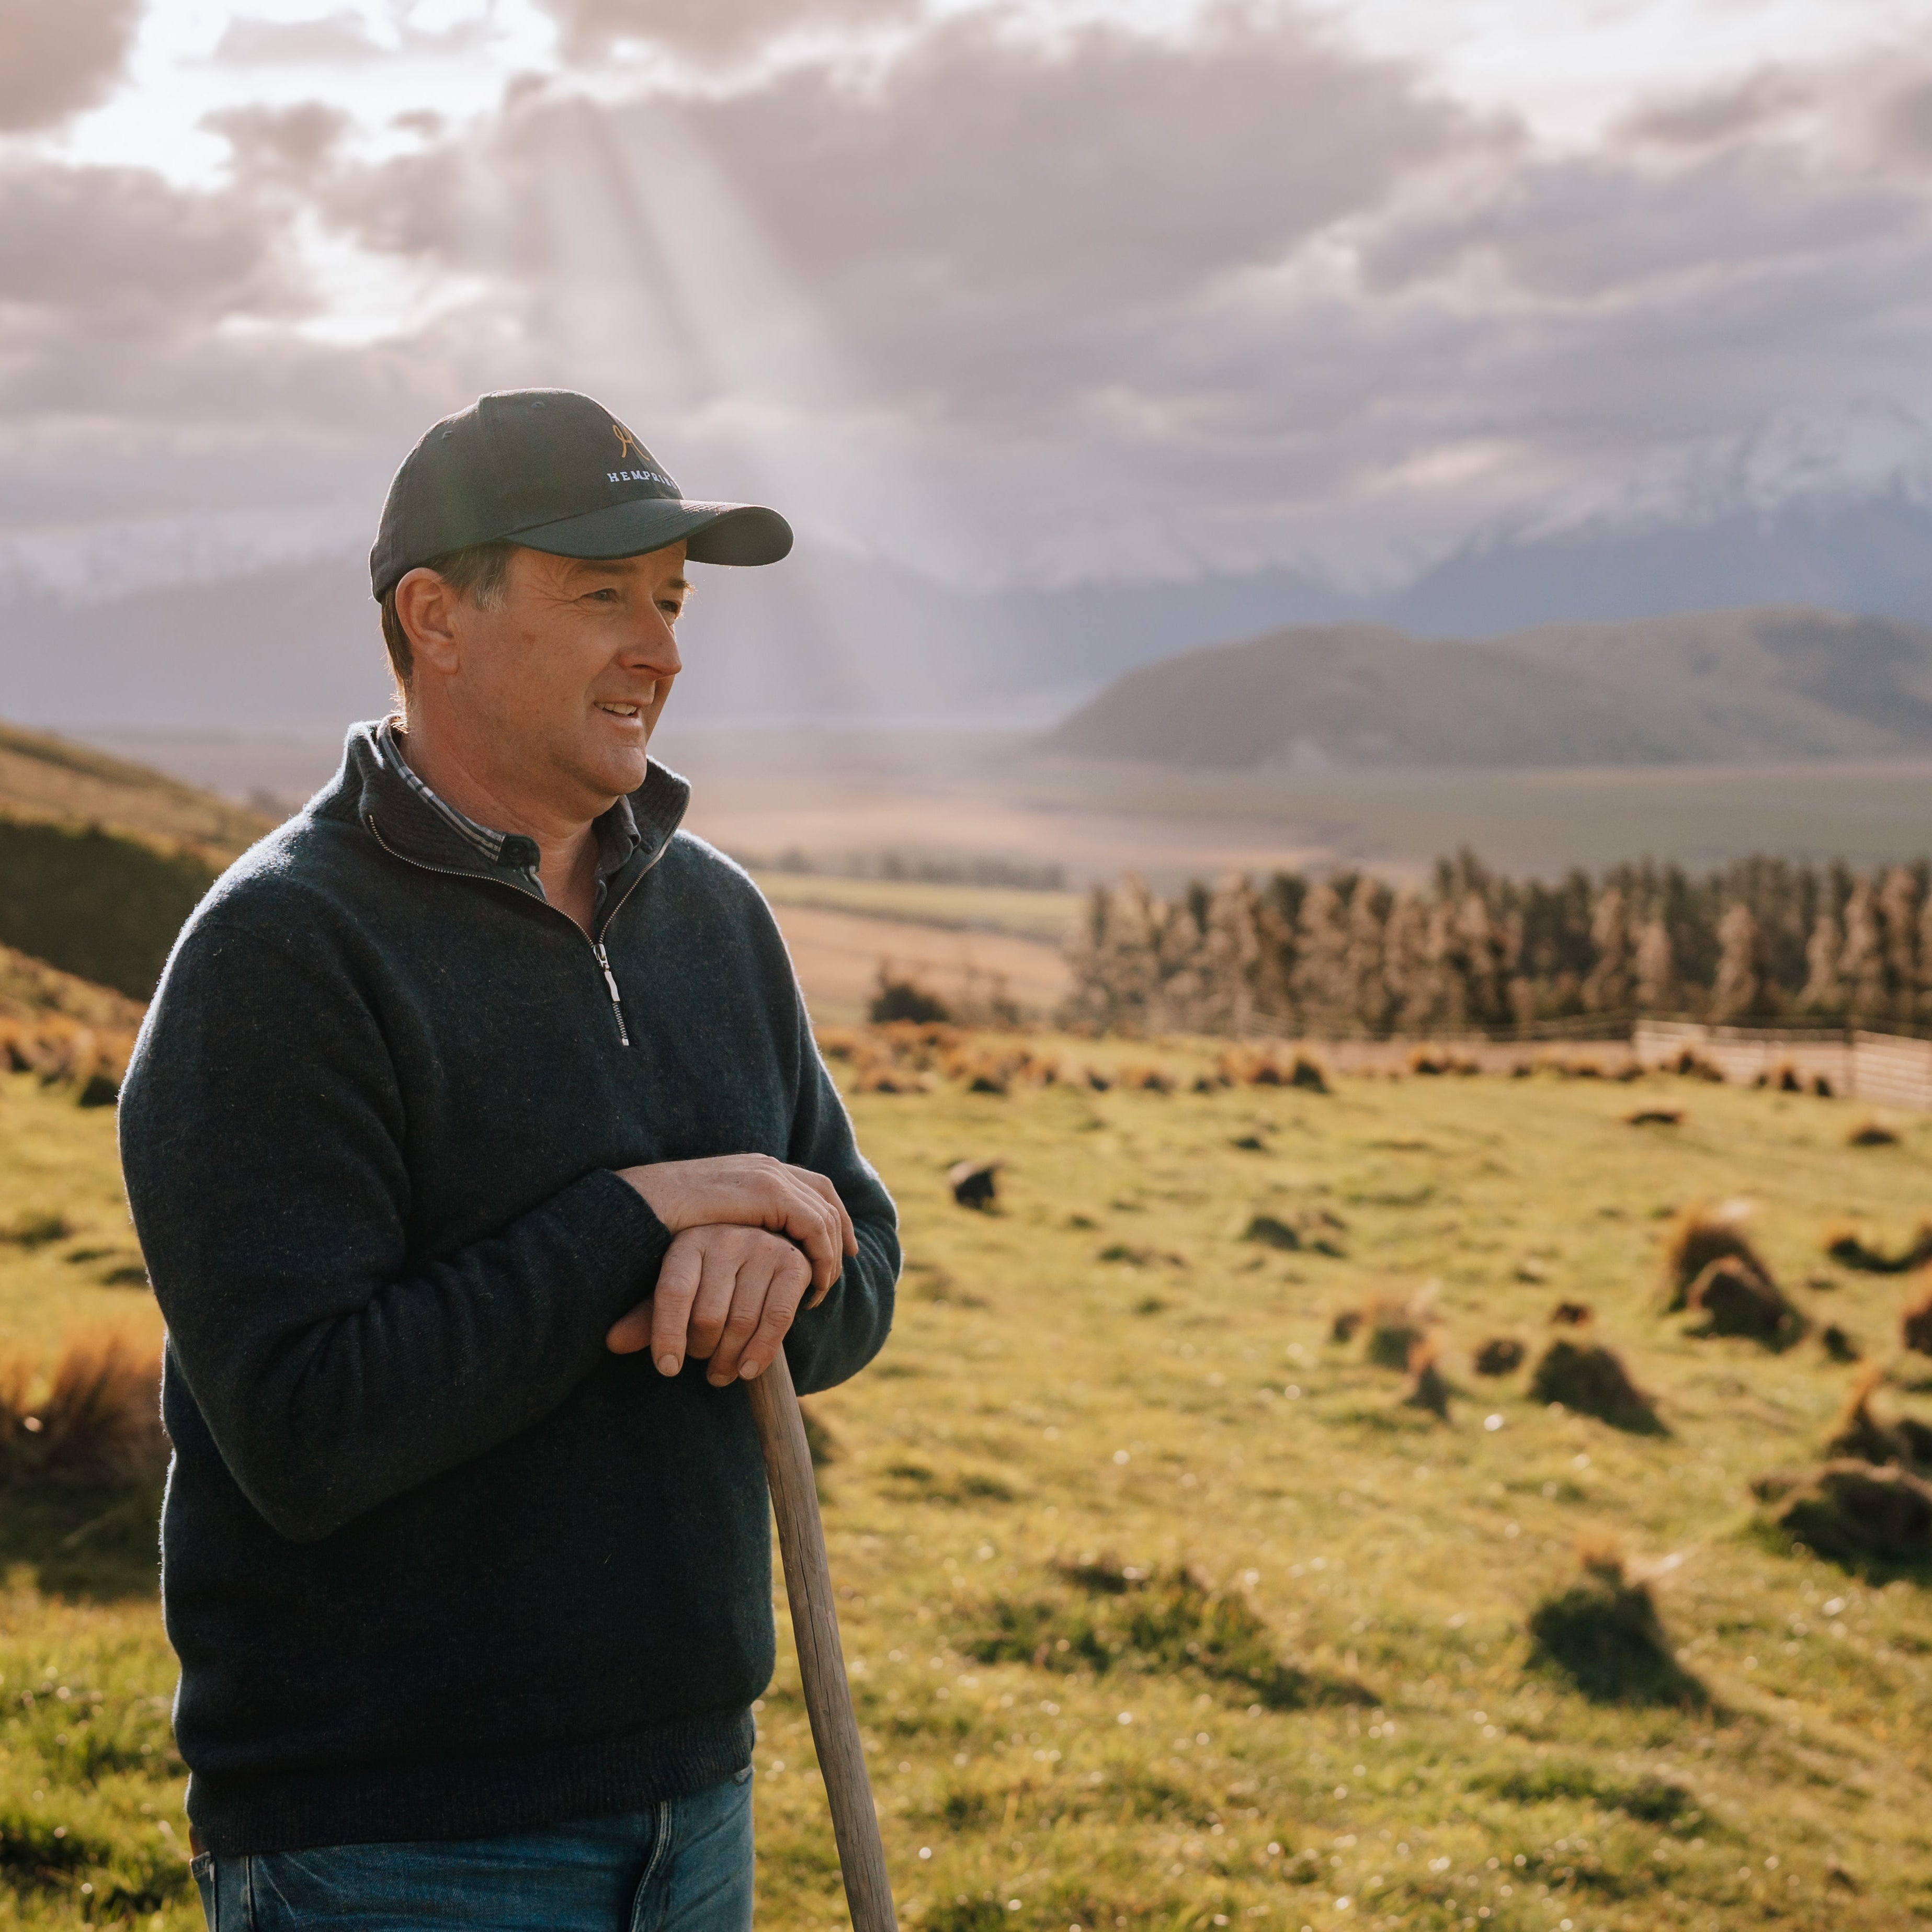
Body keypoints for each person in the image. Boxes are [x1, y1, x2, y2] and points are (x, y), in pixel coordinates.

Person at [119, 388, 900, 1930]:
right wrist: (635, 1223)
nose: (661, 649)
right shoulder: (282, 952)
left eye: (672, 600)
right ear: (437, 620)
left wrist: (778, 1265)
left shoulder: (715, 917)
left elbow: (859, 1255)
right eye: (604, 594)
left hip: (699, 1807)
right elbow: (307, 1428)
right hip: (396, 1847)